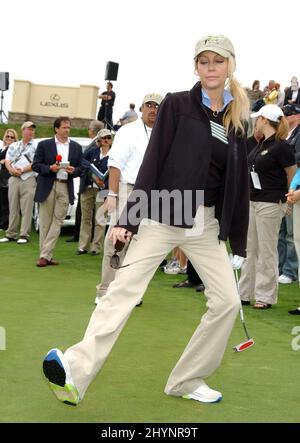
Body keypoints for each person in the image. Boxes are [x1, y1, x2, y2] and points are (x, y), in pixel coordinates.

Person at [42, 34, 250, 405]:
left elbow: (236, 181)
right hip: (164, 213)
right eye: (203, 61)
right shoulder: (177, 104)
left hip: (207, 225)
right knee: (123, 291)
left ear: (230, 64)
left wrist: (238, 236)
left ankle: (187, 380)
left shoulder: (239, 117)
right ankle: (74, 369)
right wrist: (130, 218)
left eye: (217, 61)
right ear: (196, 67)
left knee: (228, 303)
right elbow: (153, 160)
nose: (210, 68)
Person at [94, 92, 163, 305]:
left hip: (154, 194)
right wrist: (113, 194)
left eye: (156, 106)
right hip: (128, 189)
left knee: (141, 246)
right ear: (141, 108)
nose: (152, 110)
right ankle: (105, 291)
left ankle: (129, 292)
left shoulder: (166, 132)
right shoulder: (127, 131)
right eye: (148, 105)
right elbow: (115, 164)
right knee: (116, 241)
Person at [238, 104, 296, 308]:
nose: (256, 121)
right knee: (250, 249)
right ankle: (245, 292)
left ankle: (265, 296)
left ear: (265, 120)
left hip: (271, 202)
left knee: (266, 250)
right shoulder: (261, 144)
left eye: (259, 118)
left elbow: (292, 172)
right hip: (254, 200)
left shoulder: (281, 146)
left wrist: (288, 197)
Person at [32, 117, 82, 267]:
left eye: (69, 127)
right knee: (46, 222)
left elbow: (81, 168)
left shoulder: (76, 147)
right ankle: (47, 255)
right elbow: (36, 165)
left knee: (58, 221)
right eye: (64, 127)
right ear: (56, 129)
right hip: (48, 184)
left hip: (65, 186)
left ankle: (44, 255)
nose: (67, 130)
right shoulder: (44, 145)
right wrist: (50, 168)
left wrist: (74, 170)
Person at [65, 120, 104, 243]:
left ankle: (89, 240)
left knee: (91, 216)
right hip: (86, 184)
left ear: (92, 131)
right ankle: (81, 239)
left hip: (95, 184)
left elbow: (84, 161)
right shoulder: (92, 144)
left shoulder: (95, 145)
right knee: (84, 215)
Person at [0, 122, 37, 244]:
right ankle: (11, 233)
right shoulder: (14, 145)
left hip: (29, 178)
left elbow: (36, 163)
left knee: (27, 208)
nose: (31, 132)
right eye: (28, 129)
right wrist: (12, 170)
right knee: (13, 206)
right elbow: (8, 161)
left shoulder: (36, 146)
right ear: (23, 130)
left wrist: (23, 170)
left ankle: (24, 234)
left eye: (32, 130)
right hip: (14, 178)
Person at [77, 128, 112, 256]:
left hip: (103, 190)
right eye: (104, 138)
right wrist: (92, 172)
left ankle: (96, 247)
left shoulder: (114, 154)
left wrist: (105, 184)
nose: (106, 140)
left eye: (109, 137)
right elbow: (81, 160)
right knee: (85, 218)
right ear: (99, 140)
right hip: (88, 187)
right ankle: (83, 246)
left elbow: (116, 174)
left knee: (100, 219)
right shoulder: (92, 152)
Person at [277, 104, 300, 284]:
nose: (284, 117)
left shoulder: (297, 135)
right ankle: (279, 267)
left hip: (294, 187)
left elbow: (296, 161)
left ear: (297, 116)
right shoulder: (284, 134)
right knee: (281, 231)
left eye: (287, 114)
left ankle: (290, 271)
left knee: (292, 233)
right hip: (283, 186)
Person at [0, 129, 19, 230]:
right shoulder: (4, 148)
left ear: (15, 139)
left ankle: (5, 224)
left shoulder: (13, 148)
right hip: (2, 176)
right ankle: (3, 223)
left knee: (7, 203)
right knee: (3, 202)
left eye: (12, 137)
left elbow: (15, 160)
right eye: (8, 136)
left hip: (8, 177)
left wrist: (6, 161)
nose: (9, 139)